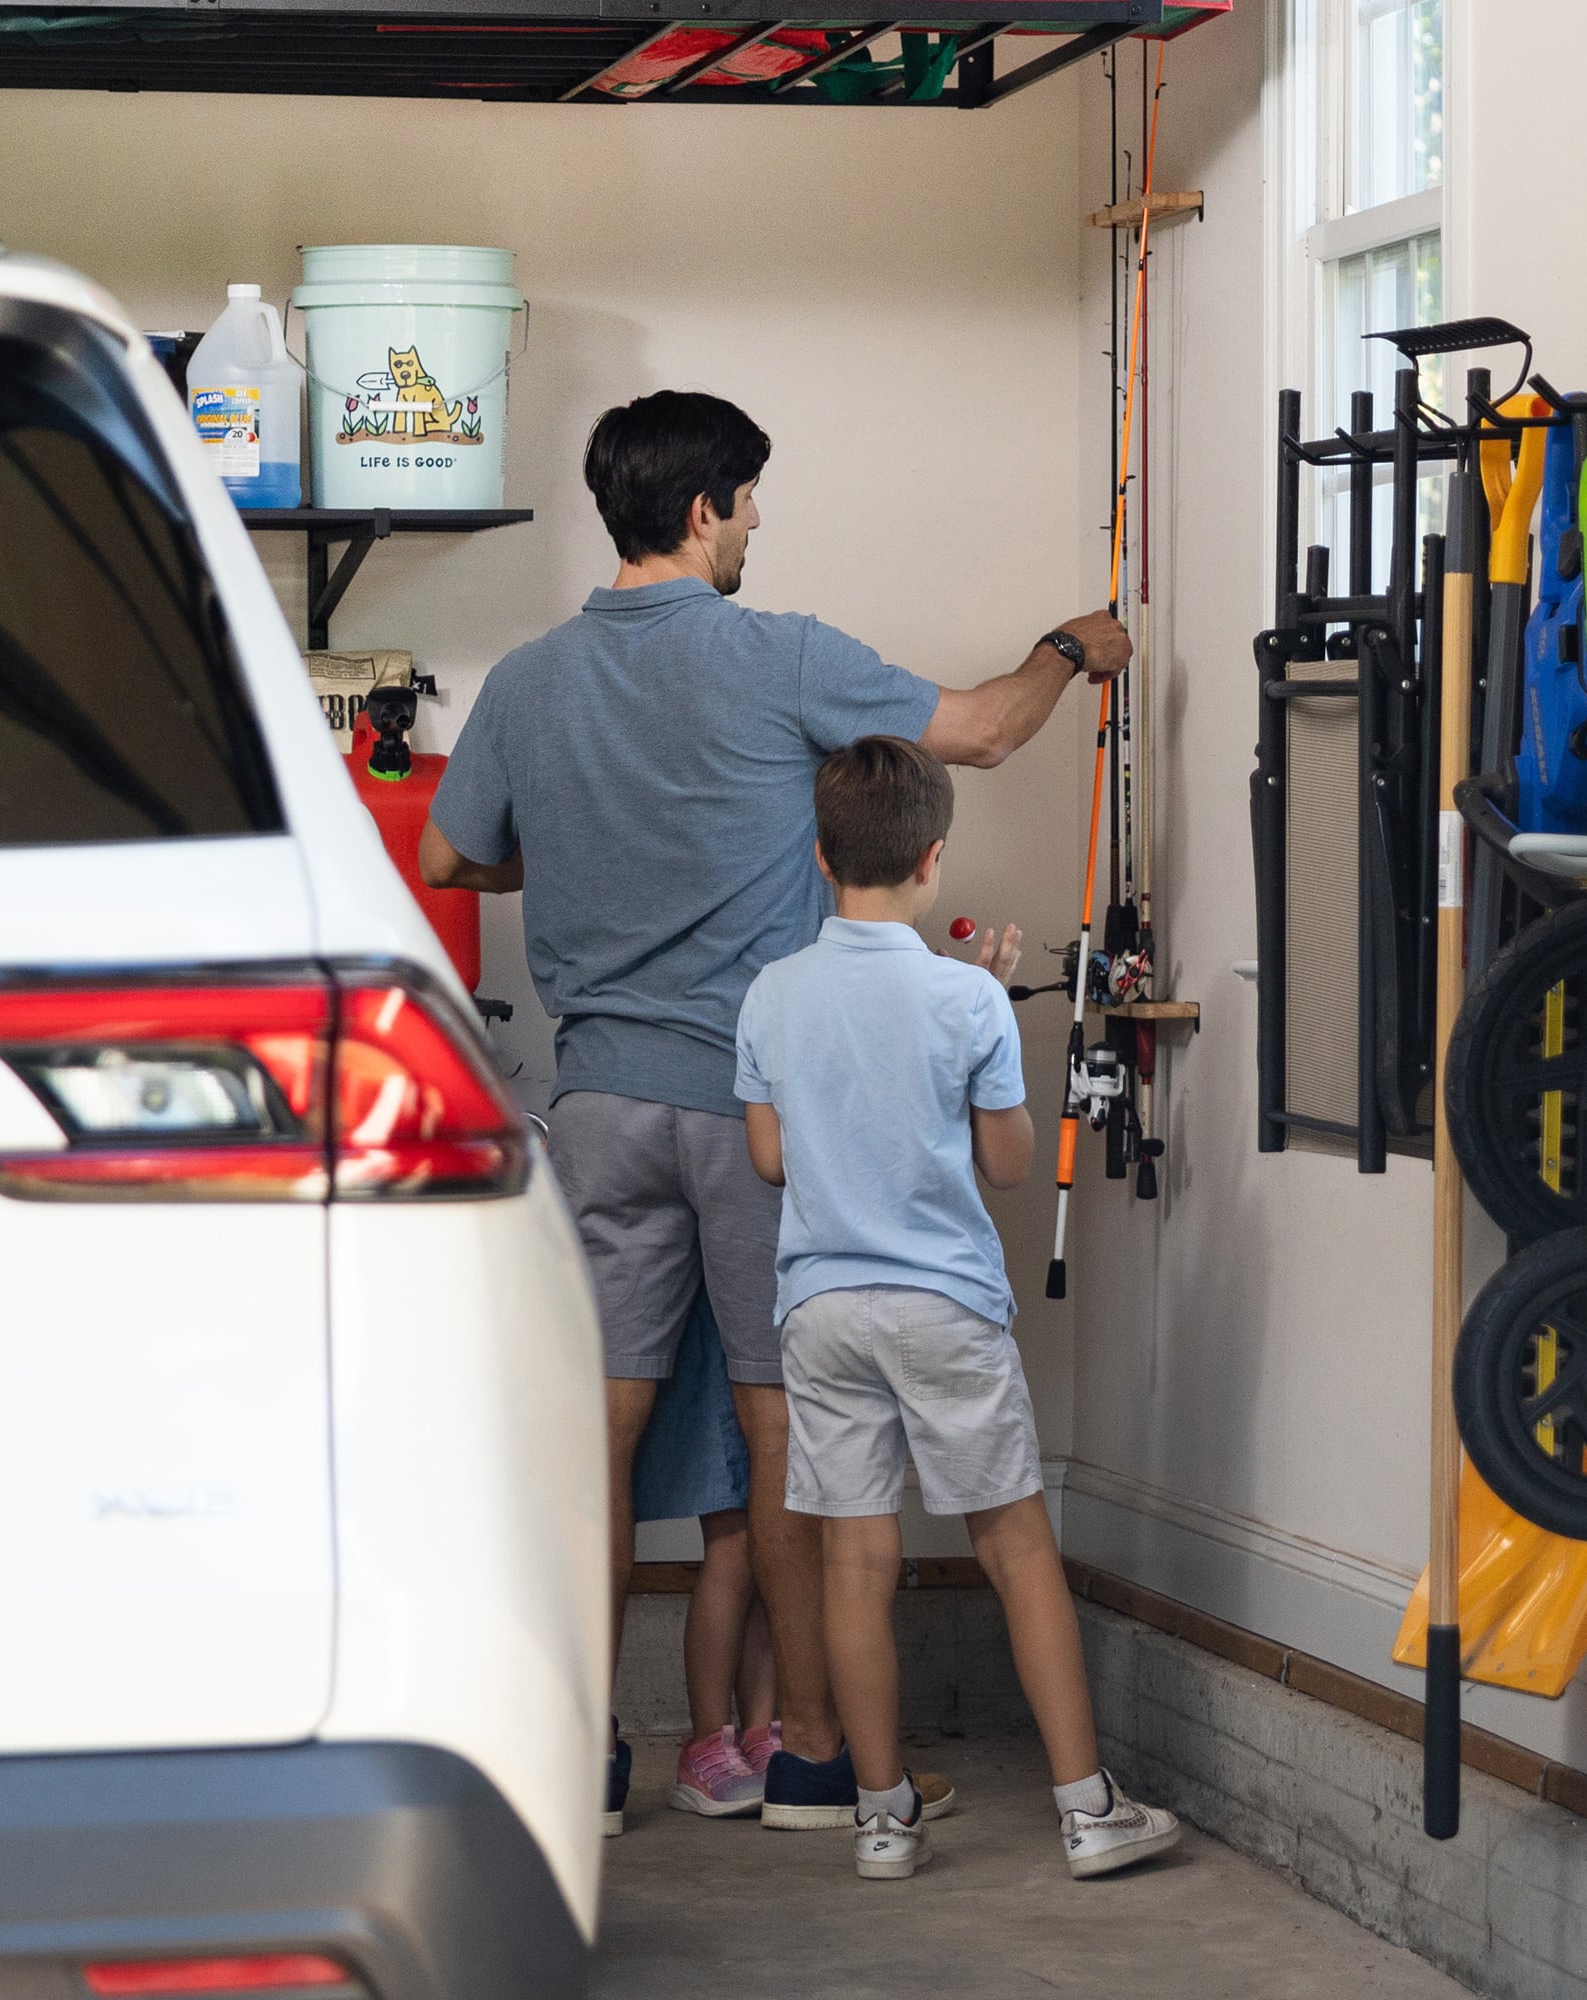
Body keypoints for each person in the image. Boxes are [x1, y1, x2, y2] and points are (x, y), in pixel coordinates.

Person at [419, 389, 1129, 1836]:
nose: (756, 525)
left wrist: (575, 848)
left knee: (596, 1446)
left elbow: (449, 850)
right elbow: (985, 732)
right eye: (748, 501)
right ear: (702, 513)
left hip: (599, 1103)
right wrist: (1072, 648)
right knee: (783, 1431)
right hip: (745, 1111)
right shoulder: (776, 655)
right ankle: (811, 1756)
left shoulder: (529, 682)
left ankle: (586, 1761)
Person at [735, 736, 1181, 1882]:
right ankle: (1087, 1810)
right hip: (941, 1302)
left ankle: (880, 1818)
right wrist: (986, 1006)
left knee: (852, 1559)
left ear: (822, 853)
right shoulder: (961, 997)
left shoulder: (772, 993)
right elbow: (1008, 1163)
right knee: (1015, 1544)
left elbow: (771, 1159)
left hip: (820, 1306)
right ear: (932, 859)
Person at [629, 1290, 778, 1820]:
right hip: (717, 1322)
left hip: (753, 1320)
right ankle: (708, 1743)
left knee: (768, 1544)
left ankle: (761, 1733)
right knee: (735, 1537)